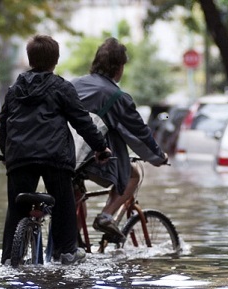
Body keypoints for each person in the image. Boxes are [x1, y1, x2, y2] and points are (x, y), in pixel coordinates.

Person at [0, 35, 112, 265]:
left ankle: (10, 256)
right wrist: (101, 147)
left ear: (30, 59)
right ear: (56, 60)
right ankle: (67, 251)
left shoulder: (14, 89)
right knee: (63, 204)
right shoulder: (61, 87)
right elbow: (82, 122)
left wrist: (6, 154)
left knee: (16, 207)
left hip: (19, 157)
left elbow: (3, 125)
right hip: (55, 157)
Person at [71, 37, 169, 241]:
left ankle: (67, 249)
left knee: (75, 214)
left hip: (64, 155)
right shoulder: (116, 96)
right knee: (133, 174)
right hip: (95, 158)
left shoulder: (73, 85)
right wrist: (158, 157)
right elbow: (139, 132)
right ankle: (107, 215)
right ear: (119, 67)